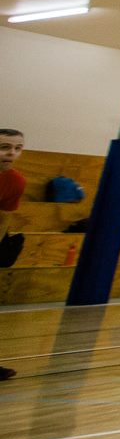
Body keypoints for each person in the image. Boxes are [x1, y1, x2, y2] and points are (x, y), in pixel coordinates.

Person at [0, 127, 22, 380]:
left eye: (17, 148)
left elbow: (4, 219)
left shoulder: (15, 181)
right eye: (5, 147)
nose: (11, 153)